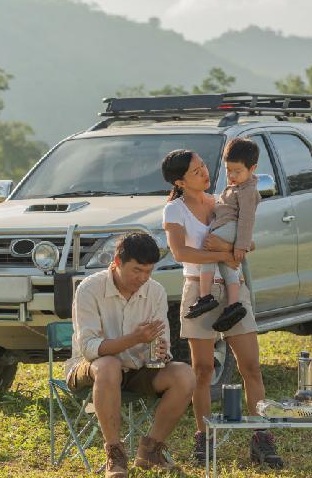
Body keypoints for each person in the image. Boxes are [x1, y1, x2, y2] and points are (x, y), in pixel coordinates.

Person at [160, 149, 284, 469]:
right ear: (180, 181)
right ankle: (204, 437)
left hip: (233, 288)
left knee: (251, 367)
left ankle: (262, 436)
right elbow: (179, 251)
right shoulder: (174, 210)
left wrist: (226, 250)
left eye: (204, 167)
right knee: (202, 370)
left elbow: (249, 243)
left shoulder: (222, 200)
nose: (205, 173)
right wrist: (223, 254)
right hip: (199, 291)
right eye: (196, 171)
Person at [65, 232, 196, 478]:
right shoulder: (89, 289)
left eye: (148, 271)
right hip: (91, 369)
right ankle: (114, 453)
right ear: (116, 262)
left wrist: (161, 352)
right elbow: (90, 348)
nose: (143, 278)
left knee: (185, 374)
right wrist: (134, 339)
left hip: (137, 367)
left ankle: (150, 450)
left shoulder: (155, 291)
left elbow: (162, 341)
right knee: (108, 365)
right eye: (137, 270)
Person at [185, 138, 261, 335]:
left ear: (252, 168)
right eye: (229, 170)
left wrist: (240, 246)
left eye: (238, 171)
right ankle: (234, 304)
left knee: (208, 250)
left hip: (233, 227)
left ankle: (205, 296)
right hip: (228, 226)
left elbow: (246, 220)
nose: (232, 175)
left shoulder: (247, 191)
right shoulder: (237, 187)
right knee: (226, 264)